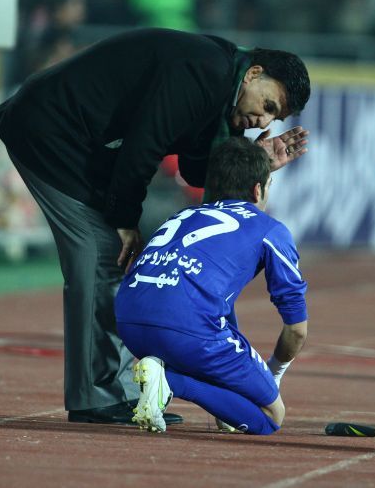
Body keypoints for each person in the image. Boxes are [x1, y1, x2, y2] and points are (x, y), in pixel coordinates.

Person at [0, 28, 311, 425]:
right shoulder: (204, 72)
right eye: (268, 104)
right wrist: (125, 219)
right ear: (254, 73)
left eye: (274, 117)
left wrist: (256, 161)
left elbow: (198, 170)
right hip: (48, 129)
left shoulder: (222, 83)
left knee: (110, 255)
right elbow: (145, 143)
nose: (263, 119)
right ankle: (97, 397)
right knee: (102, 253)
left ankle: (118, 392)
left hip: (74, 139)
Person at [115, 137, 308, 434]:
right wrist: (273, 375)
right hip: (184, 328)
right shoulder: (270, 229)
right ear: (258, 189)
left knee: (206, 318)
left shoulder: (184, 214)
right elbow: (296, 330)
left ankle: (160, 374)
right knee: (270, 416)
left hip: (129, 323)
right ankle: (170, 382)